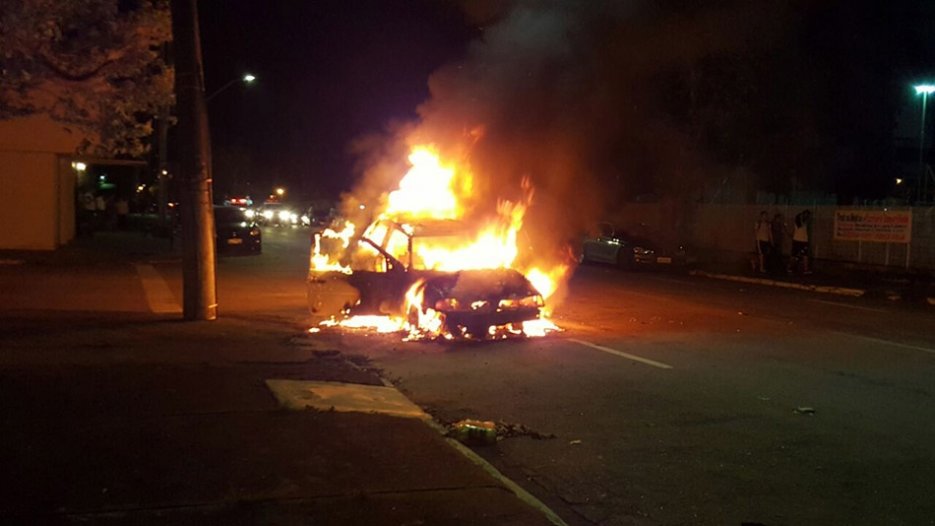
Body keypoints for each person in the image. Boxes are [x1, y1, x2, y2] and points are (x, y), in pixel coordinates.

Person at [789, 209, 812, 274]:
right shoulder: (804, 223)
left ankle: (790, 267)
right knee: (804, 255)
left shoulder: (797, 223)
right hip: (803, 241)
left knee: (794, 255)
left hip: (796, 240)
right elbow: (803, 223)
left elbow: (793, 232)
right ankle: (805, 269)